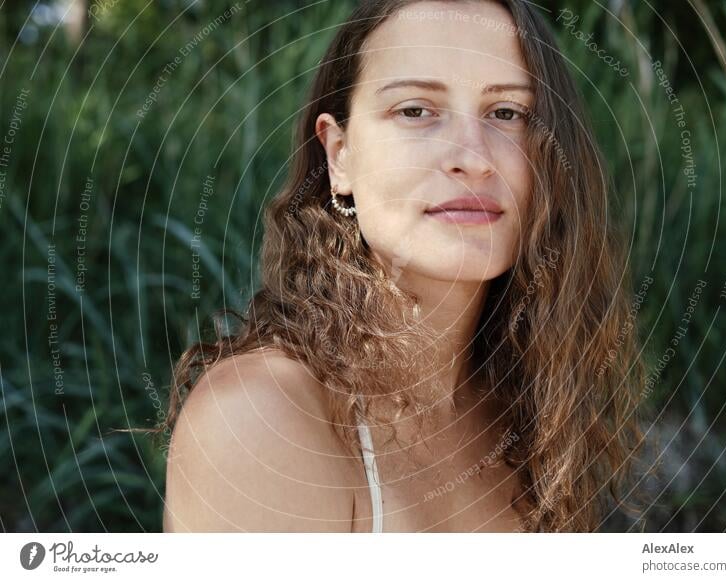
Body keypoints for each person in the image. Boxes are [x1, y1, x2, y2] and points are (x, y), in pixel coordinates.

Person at [161, 0, 647, 533]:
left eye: (507, 113)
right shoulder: (260, 418)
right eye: (416, 110)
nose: (474, 158)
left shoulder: (533, 405)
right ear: (340, 155)